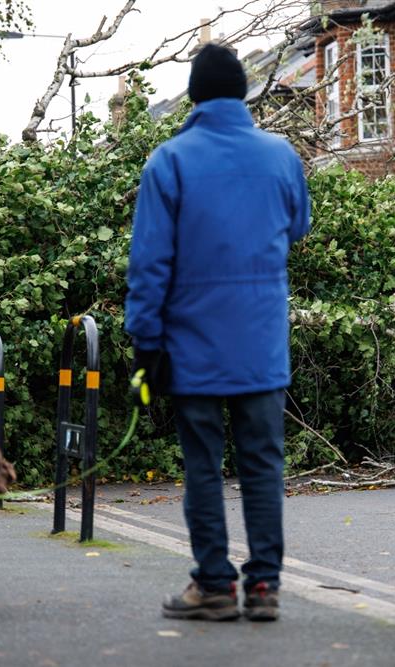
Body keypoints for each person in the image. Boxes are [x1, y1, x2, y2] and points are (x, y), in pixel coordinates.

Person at [125, 43, 310, 622]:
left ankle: (213, 584)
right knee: (262, 465)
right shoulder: (281, 157)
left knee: (202, 465)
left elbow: (149, 264)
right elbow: (298, 226)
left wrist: (145, 345)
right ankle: (264, 587)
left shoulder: (169, 161)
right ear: (244, 94)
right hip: (260, 343)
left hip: (191, 344)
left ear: (196, 97)